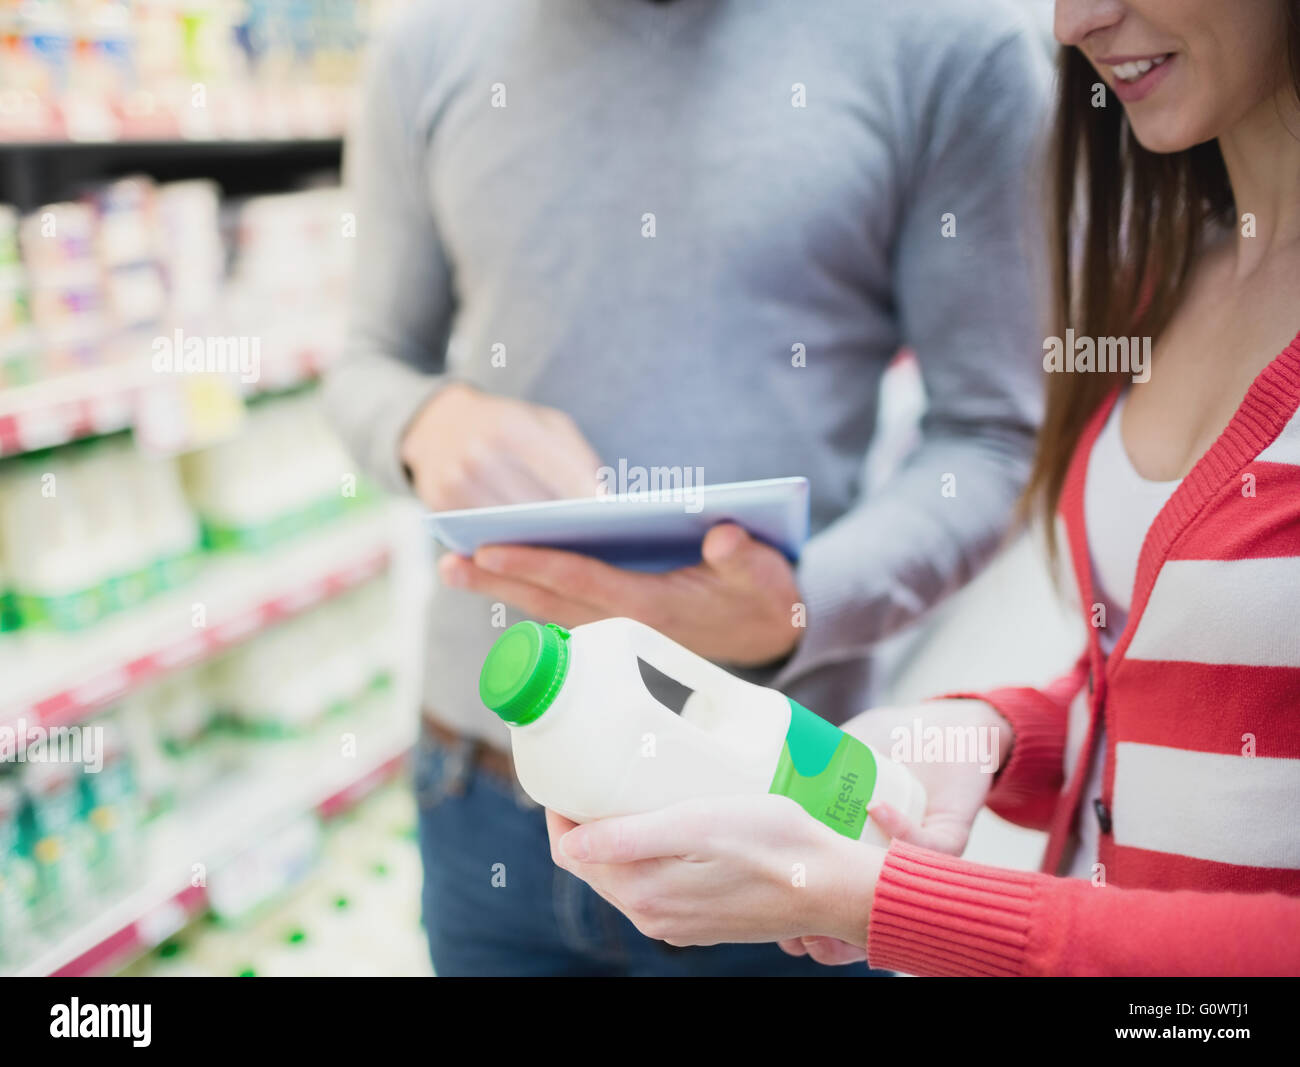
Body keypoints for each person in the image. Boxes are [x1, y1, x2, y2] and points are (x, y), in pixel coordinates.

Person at [546, 0, 1300, 977]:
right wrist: (988, 730)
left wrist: (881, 904)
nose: (1076, 20)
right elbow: (1189, 687)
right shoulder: (1170, 275)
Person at [324, 0, 1050, 977]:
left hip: (778, 804)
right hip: (484, 787)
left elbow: (994, 435)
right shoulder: (427, 48)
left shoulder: (951, 46)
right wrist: (422, 422)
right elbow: (368, 357)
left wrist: (797, 607)